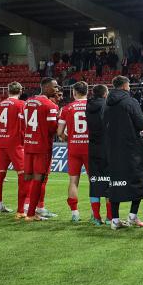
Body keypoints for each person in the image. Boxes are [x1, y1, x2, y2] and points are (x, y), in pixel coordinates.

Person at [105, 75, 143, 229]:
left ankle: (115, 220)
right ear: (125, 86)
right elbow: (141, 123)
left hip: (112, 149)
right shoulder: (131, 102)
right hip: (131, 149)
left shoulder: (107, 103)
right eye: (129, 85)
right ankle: (132, 217)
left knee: (115, 183)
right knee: (138, 181)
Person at [21, 77, 60, 221]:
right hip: (42, 146)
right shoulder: (50, 105)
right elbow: (52, 128)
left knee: (28, 178)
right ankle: (32, 213)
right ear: (46, 87)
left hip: (29, 144)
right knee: (40, 179)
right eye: (54, 86)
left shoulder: (27, 103)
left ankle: (23, 208)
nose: (57, 89)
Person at [0, 82, 26, 215]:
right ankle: (21, 209)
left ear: (8, 91)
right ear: (20, 91)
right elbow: (24, 125)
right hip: (16, 144)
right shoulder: (22, 105)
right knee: (23, 175)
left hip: (1, 143)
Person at [58, 81, 90, 222]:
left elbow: (59, 132)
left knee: (73, 181)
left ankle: (75, 213)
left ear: (74, 92)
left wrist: (68, 138)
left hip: (74, 147)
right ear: (87, 92)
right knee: (94, 181)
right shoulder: (93, 106)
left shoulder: (66, 108)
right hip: (90, 147)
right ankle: (96, 214)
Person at [86, 83, 112, 225]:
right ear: (104, 94)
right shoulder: (106, 106)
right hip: (106, 148)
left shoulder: (88, 106)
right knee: (108, 182)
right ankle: (109, 217)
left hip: (93, 148)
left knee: (95, 182)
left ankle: (96, 218)